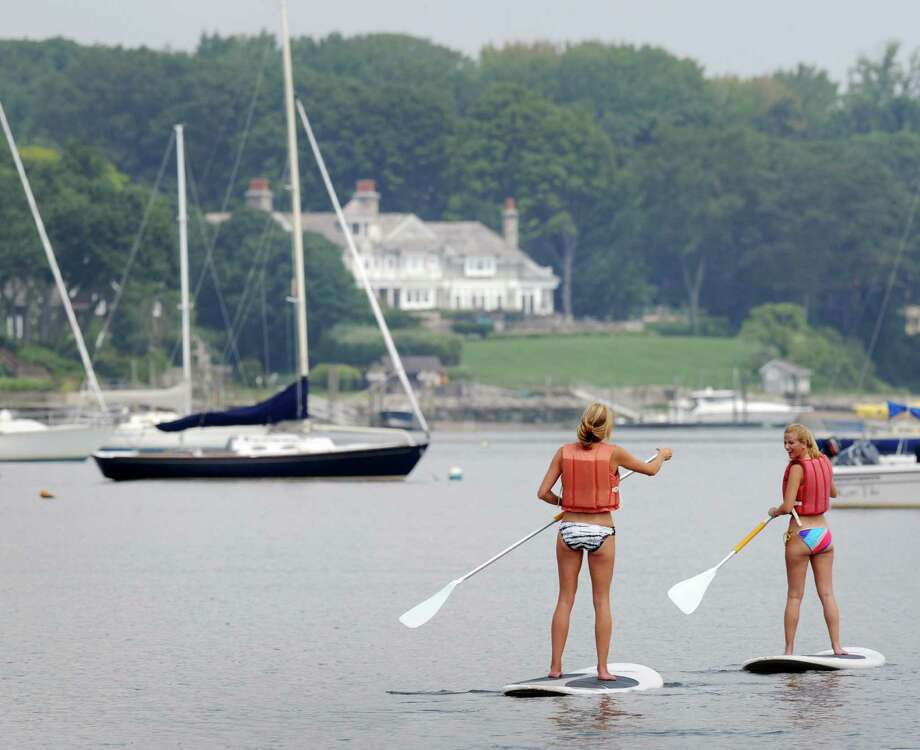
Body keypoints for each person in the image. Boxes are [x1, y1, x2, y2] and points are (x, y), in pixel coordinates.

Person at [536, 403, 672, 680]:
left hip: (569, 529)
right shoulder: (614, 453)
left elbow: (543, 493)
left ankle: (555, 668)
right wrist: (662, 455)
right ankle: (602, 669)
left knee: (565, 599)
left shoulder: (563, 452)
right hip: (601, 531)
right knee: (601, 600)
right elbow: (651, 470)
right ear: (606, 427)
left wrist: (566, 502)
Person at [768, 423, 845, 656]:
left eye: (791, 442)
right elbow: (833, 493)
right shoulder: (824, 462)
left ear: (804, 443)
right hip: (823, 535)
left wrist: (774, 511)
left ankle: (789, 651)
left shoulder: (796, 469)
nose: (787, 447)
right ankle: (837, 647)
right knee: (827, 594)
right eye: (784, 442)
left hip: (801, 535)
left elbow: (787, 507)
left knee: (794, 596)